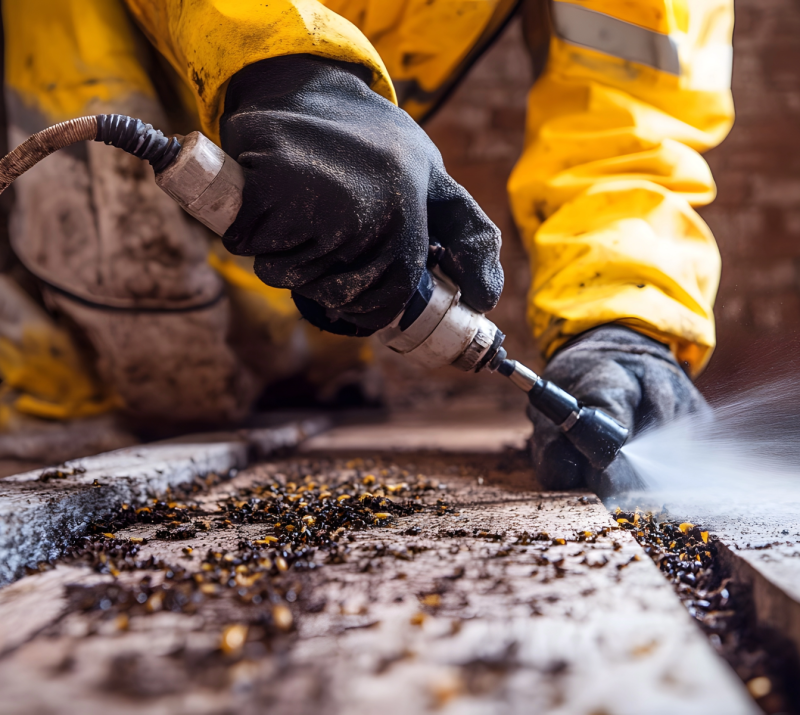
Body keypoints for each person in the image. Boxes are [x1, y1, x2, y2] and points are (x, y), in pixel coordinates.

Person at [0, 0, 733, 487]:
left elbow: (631, 116)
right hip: (58, 271)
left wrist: (624, 321)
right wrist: (283, 63)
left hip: (286, 332)